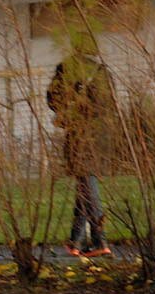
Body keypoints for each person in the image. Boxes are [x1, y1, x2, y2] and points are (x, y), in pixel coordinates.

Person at [45, 42, 116, 256]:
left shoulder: (66, 68)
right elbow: (109, 104)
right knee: (85, 183)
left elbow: (52, 99)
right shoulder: (102, 72)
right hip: (102, 135)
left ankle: (99, 239)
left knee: (86, 180)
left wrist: (70, 107)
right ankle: (76, 241)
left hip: (79, 134)